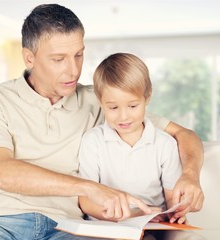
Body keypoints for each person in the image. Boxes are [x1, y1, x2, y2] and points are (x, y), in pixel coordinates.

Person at [0, 4, 204, 240]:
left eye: (79, 55)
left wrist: (190, 177)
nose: (73, 70)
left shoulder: (97, 101)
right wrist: (89, 188)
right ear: (29, 58)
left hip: (65, 227)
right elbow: (2, 172)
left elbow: (183, 134)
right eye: (59, 59)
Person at [78, 53, 186, 239]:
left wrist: (177, 214)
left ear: (147, 98)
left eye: (133, 106)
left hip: (150, 227)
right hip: (105, 228)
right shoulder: (92, 141)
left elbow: (171, 198)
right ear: (100, 102)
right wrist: (122, 216)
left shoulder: (164, 144)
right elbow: (86, 200)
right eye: (113, 108)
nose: (123, 117)